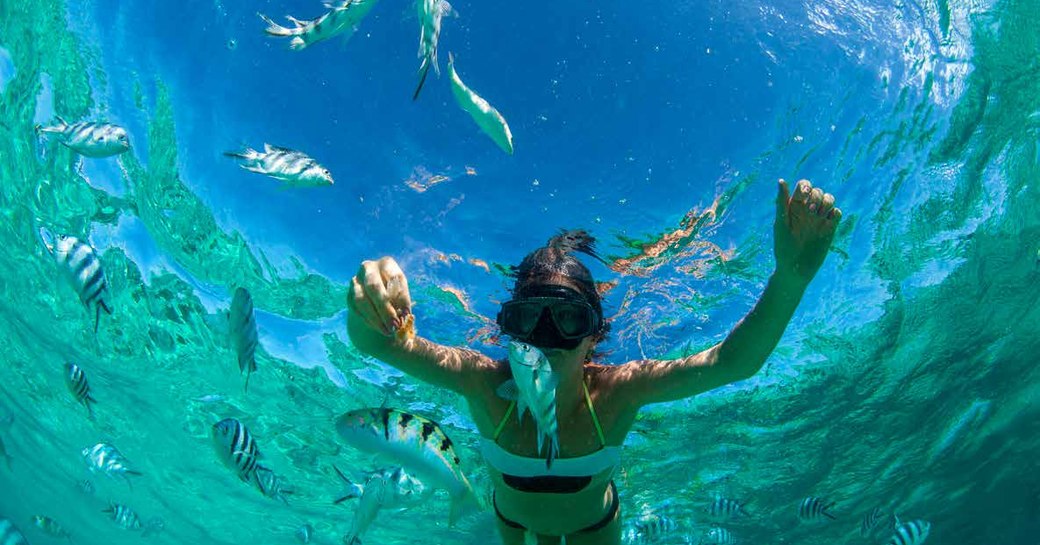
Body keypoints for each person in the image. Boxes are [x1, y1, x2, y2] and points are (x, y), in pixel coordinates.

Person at [346, 179, 842, 544]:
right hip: (511, 521)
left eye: (567, 318)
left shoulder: (617, 392)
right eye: (527, 320)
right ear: (508, 328)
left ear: (593, 336)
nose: (545, 340)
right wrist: (374, 307)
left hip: (593, 527)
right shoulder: (482, 382)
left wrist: (792, 276)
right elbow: (379, 345)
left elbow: (733, 362)